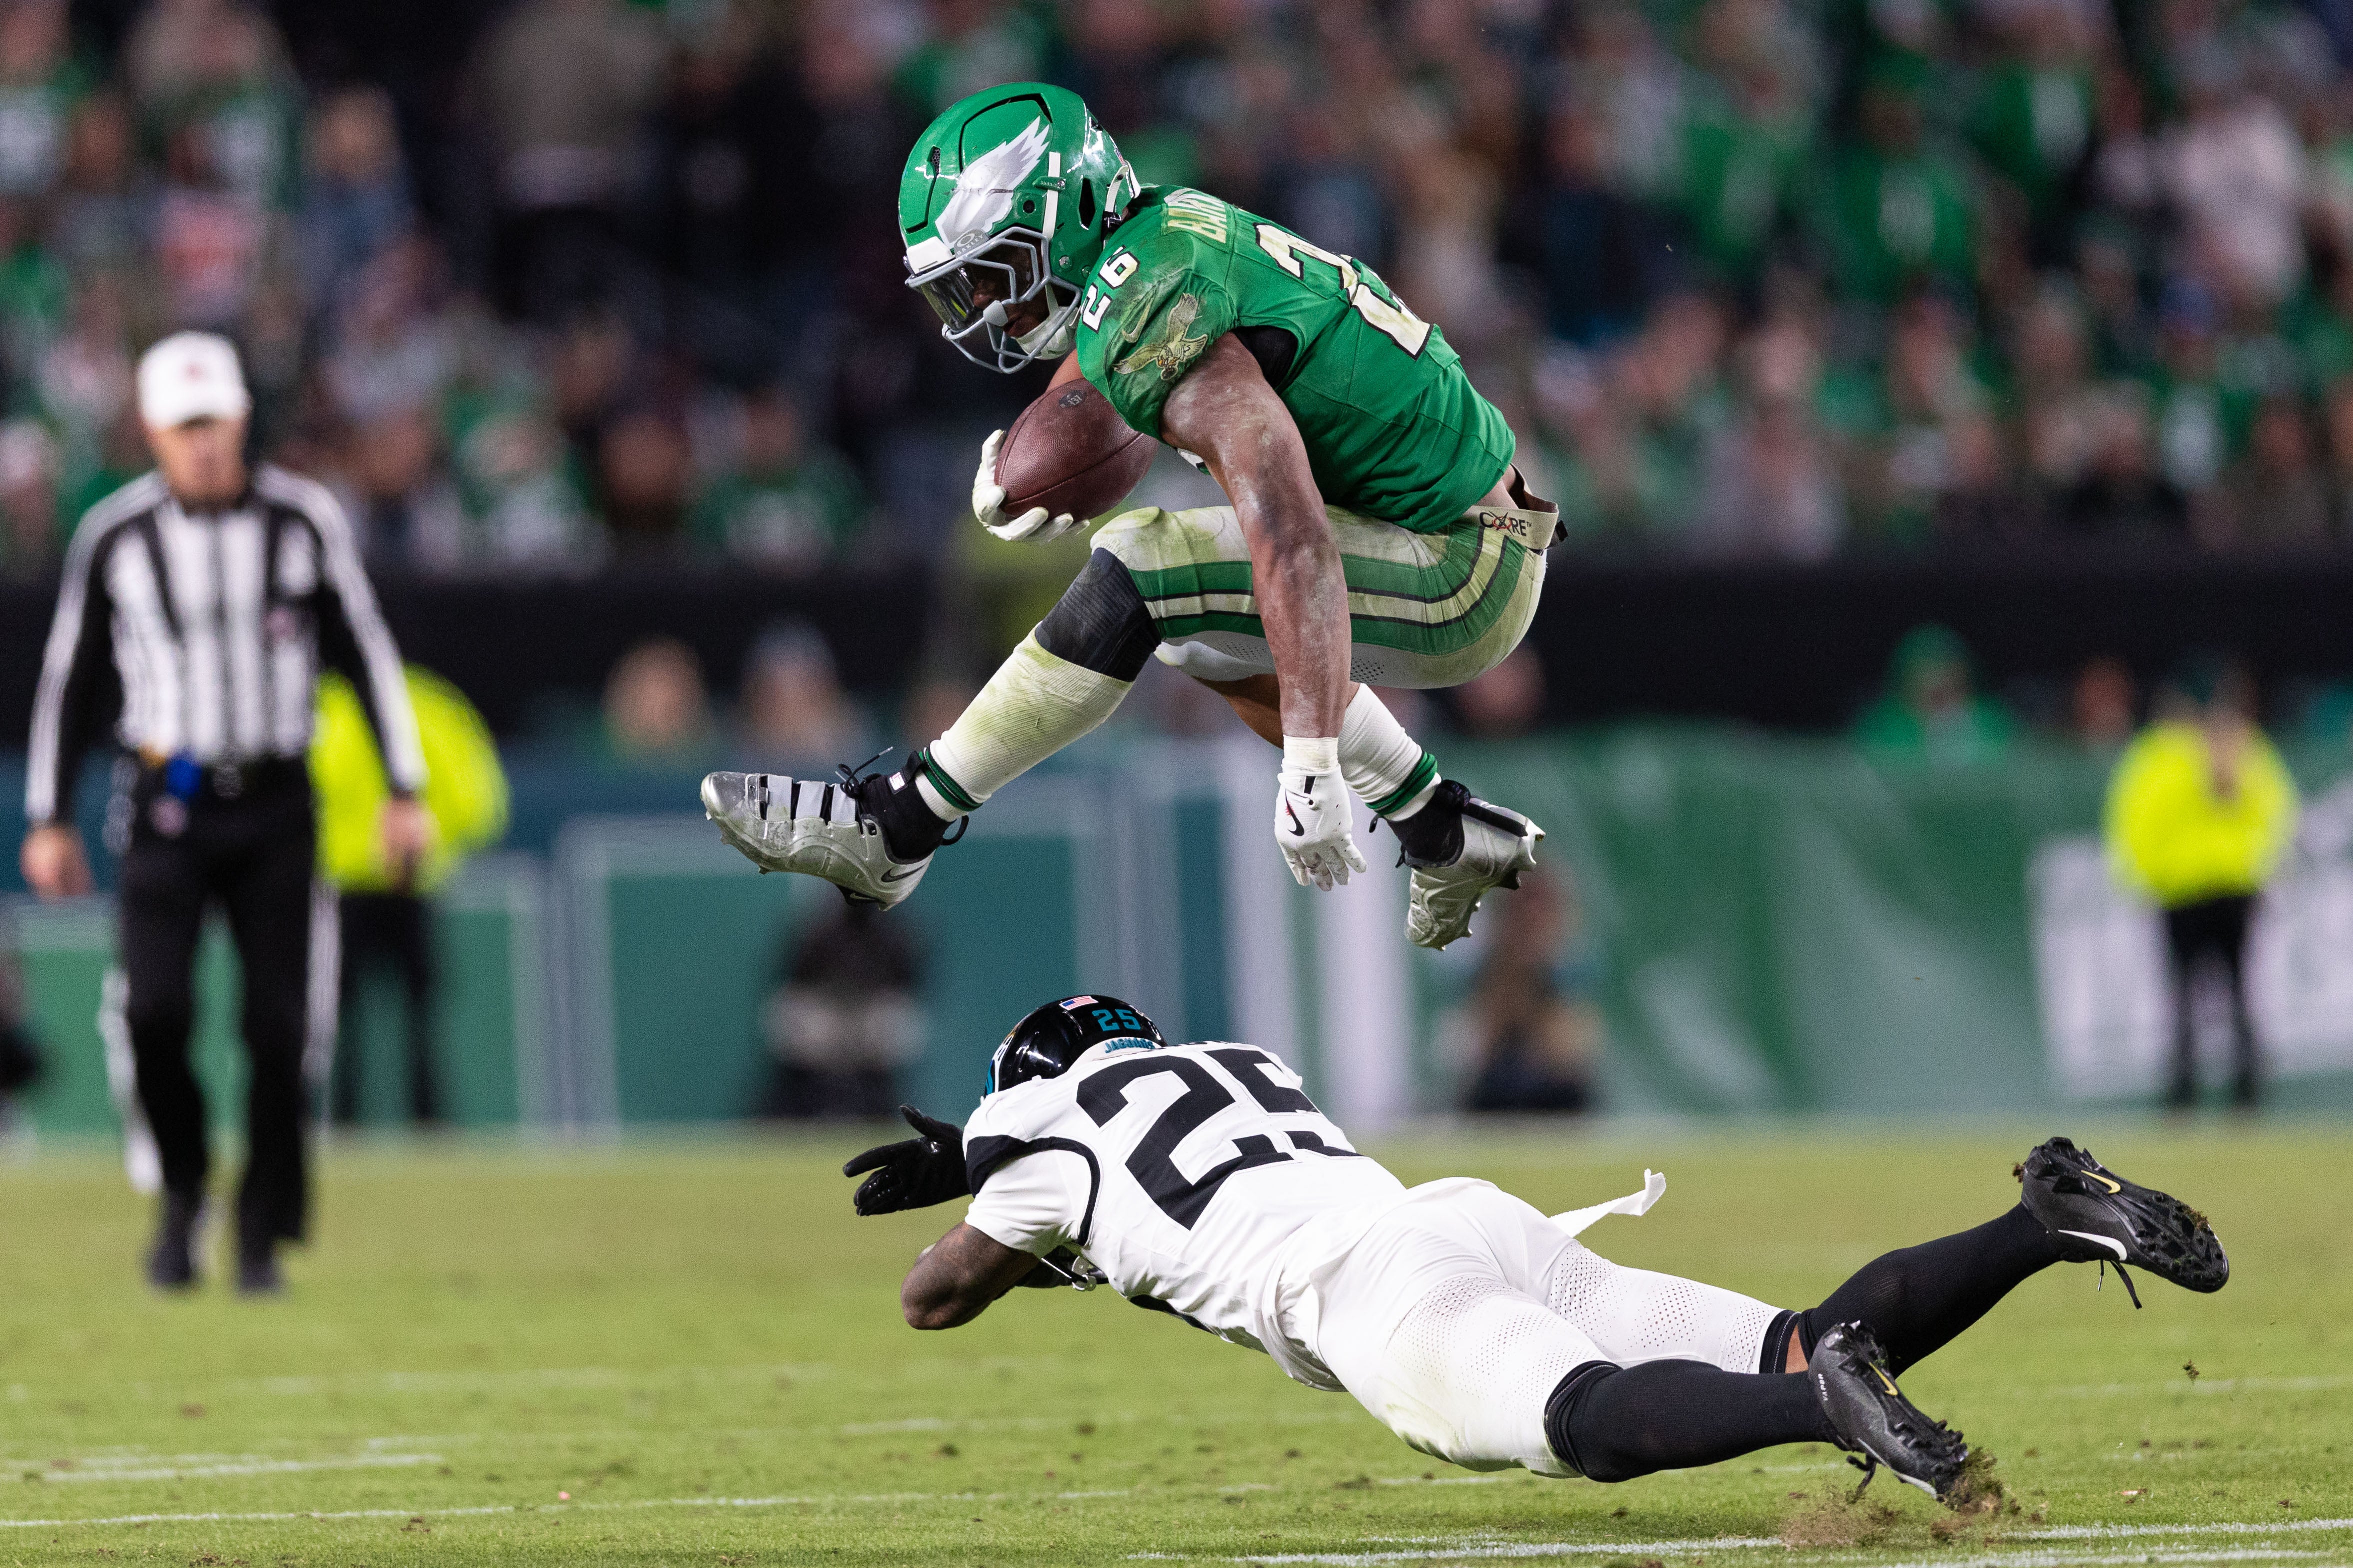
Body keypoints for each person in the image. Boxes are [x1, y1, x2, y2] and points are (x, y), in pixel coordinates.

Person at [703, 83, 1556, 951]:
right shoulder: (1153, 238)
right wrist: (1029, 450)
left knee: (1147, 561)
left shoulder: (1151, 294)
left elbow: (1289, 524)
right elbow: (1109, 339)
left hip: (1466, 560)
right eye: (963, 290)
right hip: (1474, 516)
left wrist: (1311, 759)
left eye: (997, 274)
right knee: (1191, 627)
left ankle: (896, 825)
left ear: (1069, 213)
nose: (989, 311)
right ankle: (1446, 831)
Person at [842, 996, 2228, 1499]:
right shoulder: (1235, 1058)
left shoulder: (1026, 1133)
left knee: (1594, 1429)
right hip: (1466, 1213)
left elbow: (931, 1298)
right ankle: (2039, 1218)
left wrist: (980, 1168)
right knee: (1790, 1334)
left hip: (1367, 1292)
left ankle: (1826, 1409)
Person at [20, 331, 428, 1293]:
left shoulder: (304, 521)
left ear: (244, 421)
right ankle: (185, 1188)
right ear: (155, 434)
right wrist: (48, 814)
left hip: (279, 802)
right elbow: (68, 679)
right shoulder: (117, 534)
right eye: (185, 426)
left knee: (281, 1030)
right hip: (167, 798)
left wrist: (404, 792)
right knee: (155, 1010)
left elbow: (365, 650)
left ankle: (260, 1230)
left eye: (218, 423)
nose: (205, 443)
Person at [312, 663, 508, 1126]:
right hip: (369, 889)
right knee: (370, 1018)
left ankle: (391, 1121)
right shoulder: (430, 707)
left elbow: (479, 801)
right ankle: (398, 1121)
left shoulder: (334, 708)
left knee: (405, 1017)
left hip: (384, 888)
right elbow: (481, 802)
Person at [2104, 662, 2298, 1110]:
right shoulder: (2233, 746)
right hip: (2222, 886)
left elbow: (2135, 818)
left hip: (2191, 889)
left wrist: (2144, 875)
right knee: (2229, 990)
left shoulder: (2161, 753)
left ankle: (2196, 1093)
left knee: (2196, 993)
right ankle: (2235, 1090)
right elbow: (2277, 809)